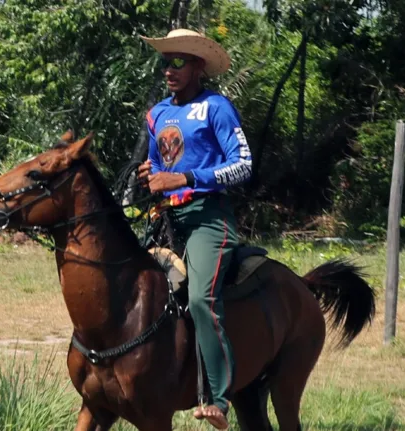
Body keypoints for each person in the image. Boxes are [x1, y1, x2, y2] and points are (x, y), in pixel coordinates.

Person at [137, 28, 252, 430]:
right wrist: (149, 175)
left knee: (202, 299)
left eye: (179, 61)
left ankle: (218, 397)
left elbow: (242, 165)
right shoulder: (157, 114)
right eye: (166, 61)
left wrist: (184, 178)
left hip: (208, 218)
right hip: (165, 218)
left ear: (199, 66)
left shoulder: (216, 107)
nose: (169, 69)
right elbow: (157, 168)